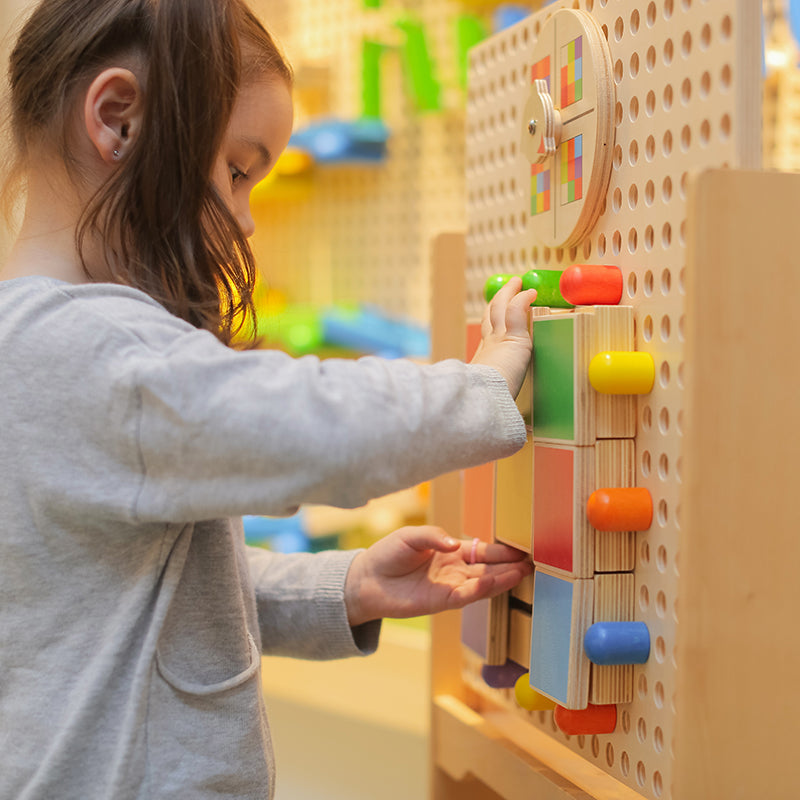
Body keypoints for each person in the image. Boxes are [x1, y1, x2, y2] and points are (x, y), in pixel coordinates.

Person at [0, 1, 537, 798]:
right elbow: (310, 424)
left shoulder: (34, 344)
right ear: (119, 121)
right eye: (237, 170)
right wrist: (482, 383)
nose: (245, 222)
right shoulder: (97, 354)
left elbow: (141, 596)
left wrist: (343, 589)